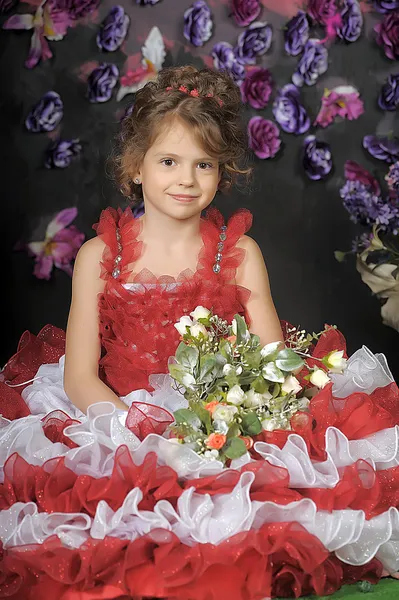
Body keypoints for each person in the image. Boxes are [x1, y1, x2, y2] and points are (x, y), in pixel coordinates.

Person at [0, 66, 398, 600]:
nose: (186, 179)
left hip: (221, 415)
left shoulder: (236, 254)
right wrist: (140, 431)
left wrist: (232, 422)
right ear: (135, 168)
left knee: (244, 502)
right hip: (116, 414)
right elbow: (78, 377)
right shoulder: (101, 258)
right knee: (120, 516)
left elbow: (272, 360)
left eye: (203, 165)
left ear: (221, 172)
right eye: (169, 161)